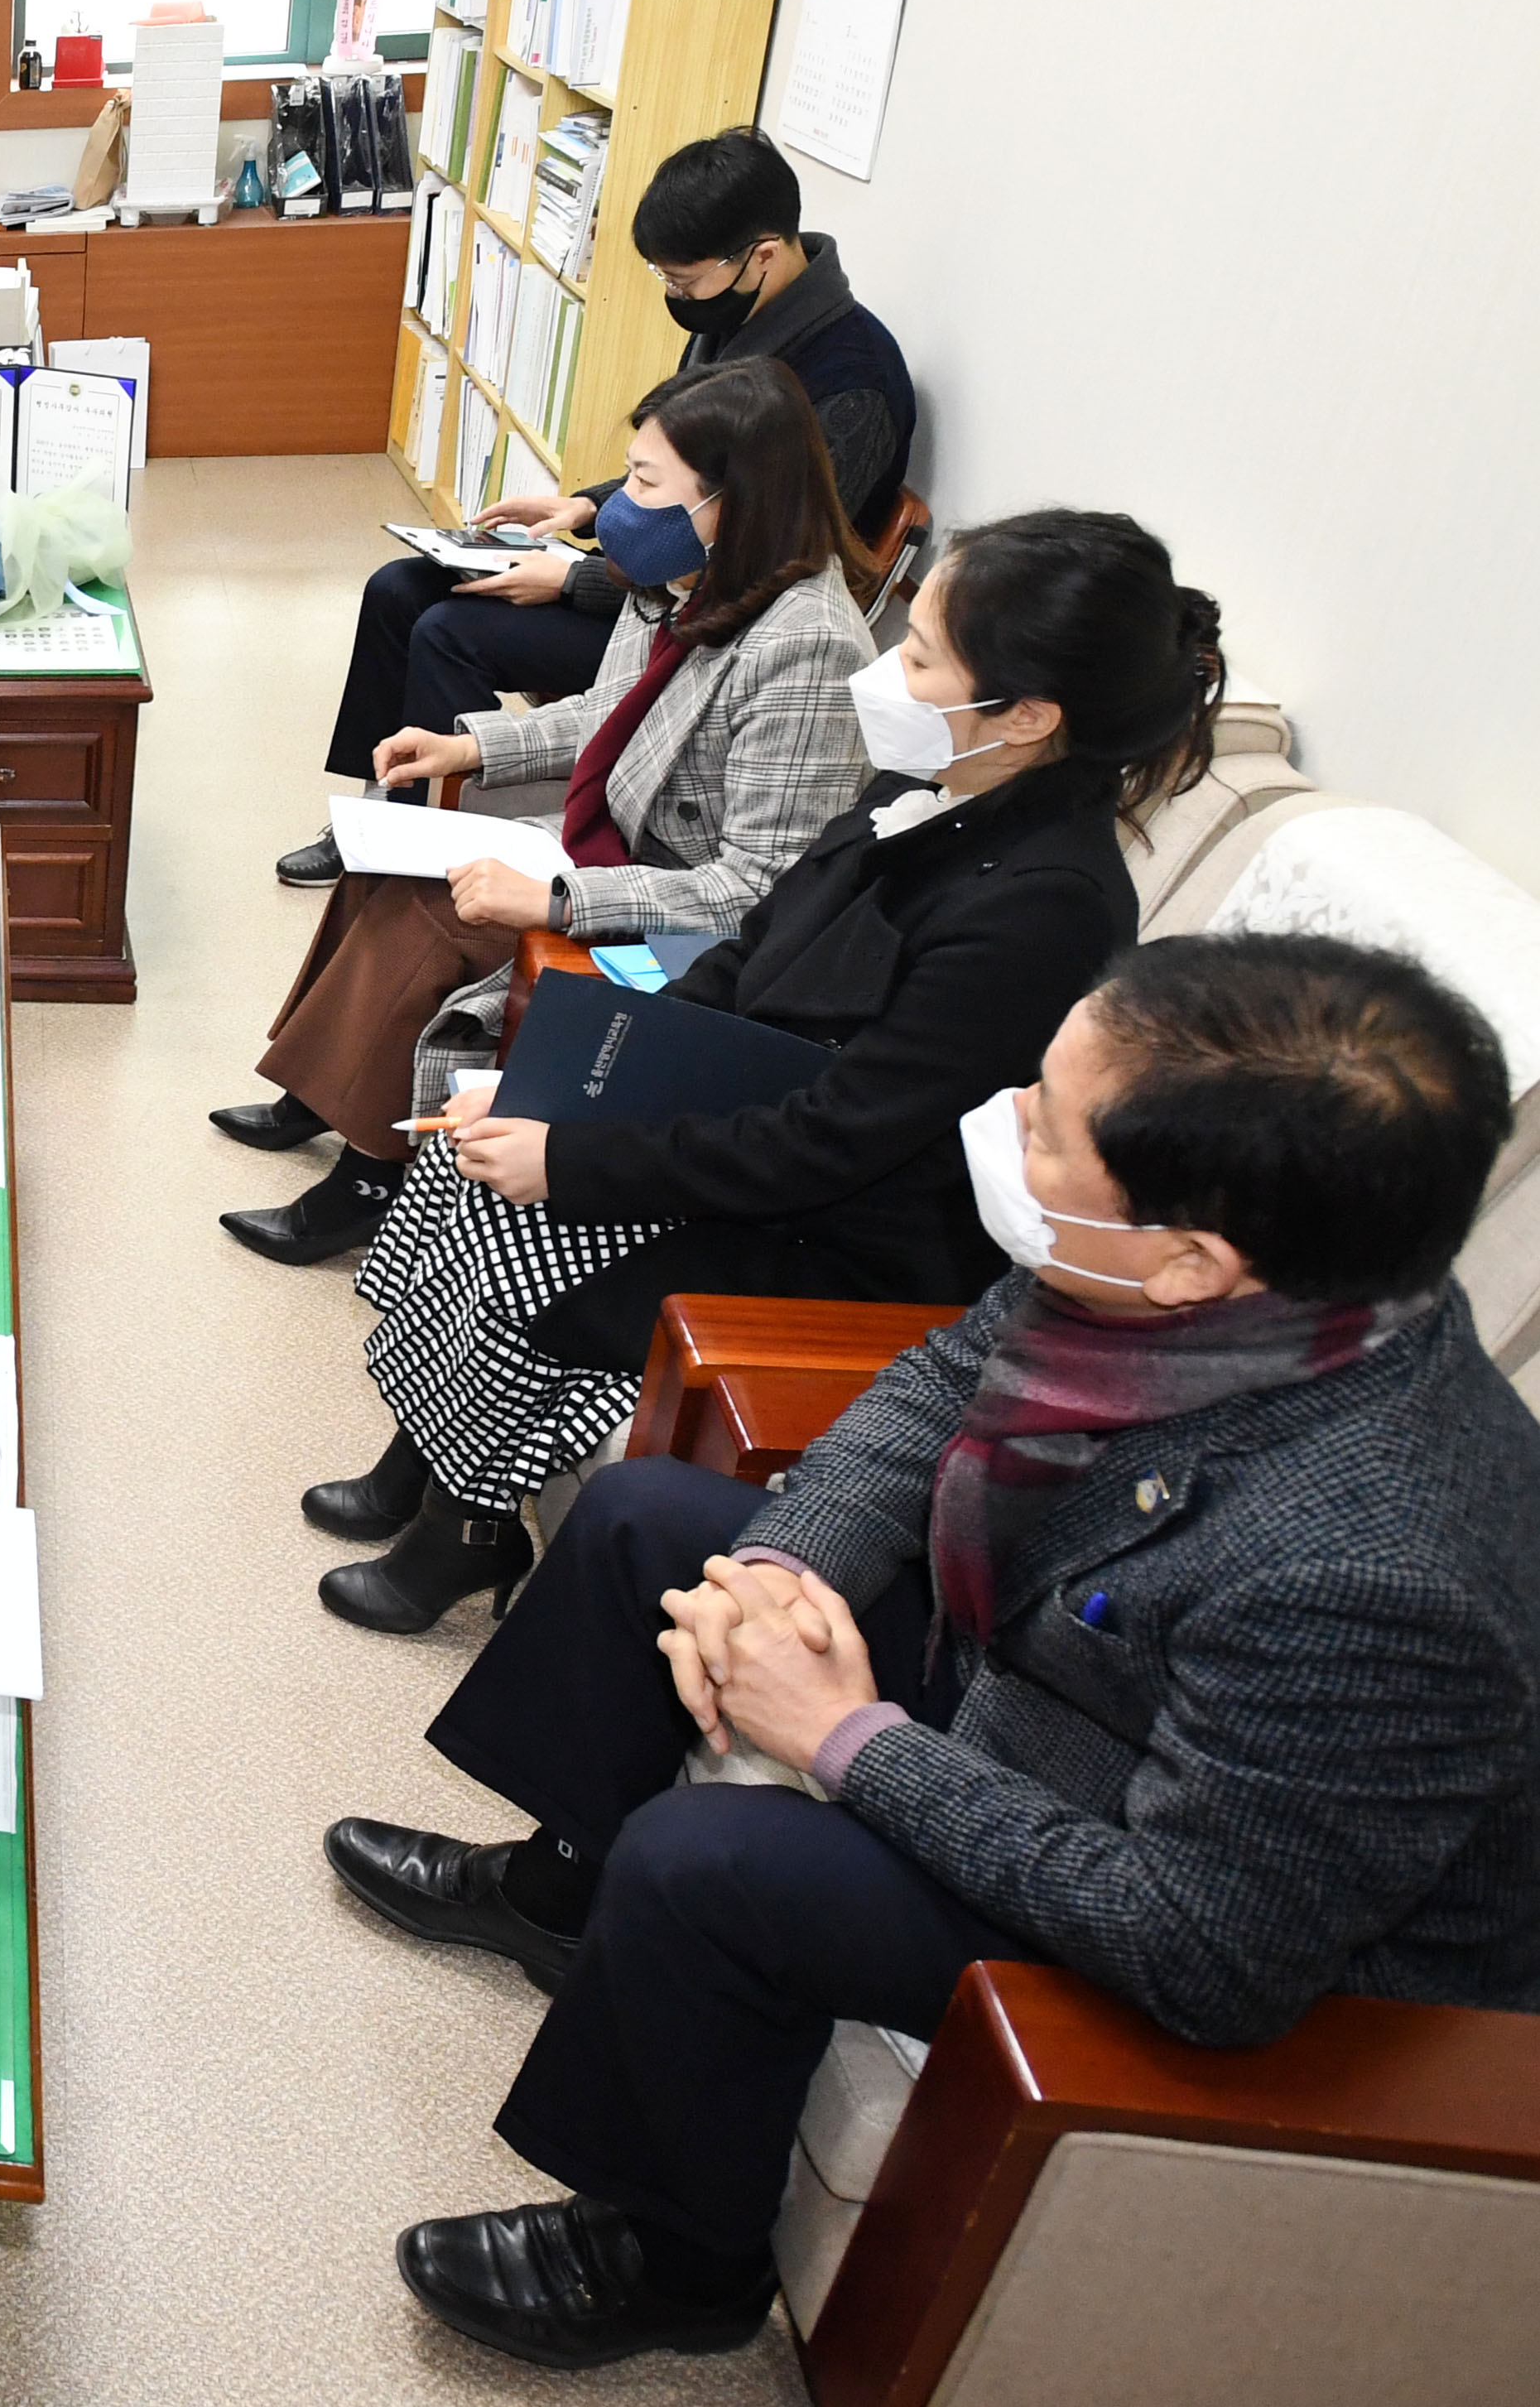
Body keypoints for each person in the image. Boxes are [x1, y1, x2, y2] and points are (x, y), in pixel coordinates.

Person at [327, 932, 1540, 2371]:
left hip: (1197, 1912)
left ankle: (678, 2253)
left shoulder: (1379, 1580)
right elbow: (939, 1385)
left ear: (1190, 1262)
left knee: (714, 1864)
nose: (1012, 1116)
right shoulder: (1243, 1293)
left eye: (1050, 1122)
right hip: (1060, 1681)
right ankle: (554, 1888)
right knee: (653, 1520)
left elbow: (1200, 1948)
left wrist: (846, 1738)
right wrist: (784, 1573)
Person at [313, 508, 1218, 1631]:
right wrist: (568, 1087)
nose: (885, 670)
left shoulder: (1041, 908)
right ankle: (429, 1455)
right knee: (462, 1163)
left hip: (843, 1224)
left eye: (922, 655)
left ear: (1026, 716)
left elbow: (836, 1140)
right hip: (750, 1121)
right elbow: (744, 956)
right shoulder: (921, 787)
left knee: (517, 1237)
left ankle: (465, 1522)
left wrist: (578, 1160)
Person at [218, 361, 874, 1264]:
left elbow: (759, 893)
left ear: (733, 502)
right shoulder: (689, 582)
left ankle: (370, 1171)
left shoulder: (808, 649)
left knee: (435, 914)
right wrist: (470, 748)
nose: (618, 509)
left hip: (689, 924)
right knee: (387, 856)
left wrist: (560, 906)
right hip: (613, 849)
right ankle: (321, 1088)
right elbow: (613, 711)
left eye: (646, 484)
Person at [283, 128, 917, 884]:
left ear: (763, 256)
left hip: (709, 618)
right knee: (399, 588)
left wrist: (569, 580)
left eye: (682, 282)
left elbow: (763, 552)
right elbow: (688, 467)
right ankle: (385, 805)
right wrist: (581, 508)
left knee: (449, 630)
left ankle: (426, 831)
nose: (674, 298)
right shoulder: (735, 319)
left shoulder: (853, 387)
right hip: (669, 581)